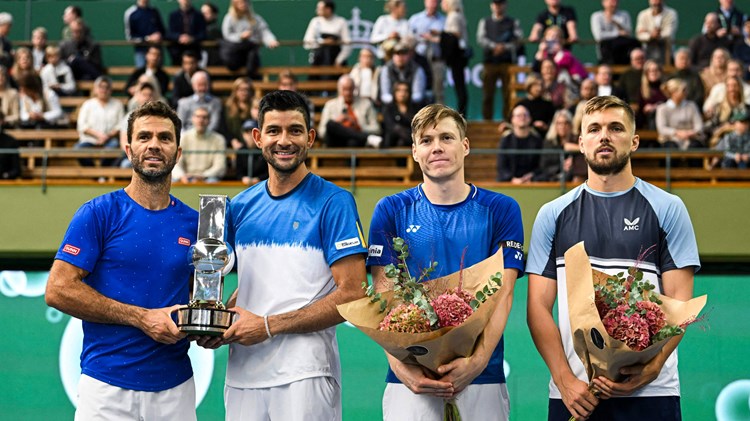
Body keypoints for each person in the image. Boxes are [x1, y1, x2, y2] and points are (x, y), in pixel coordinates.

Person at [196, 89, 368, 421]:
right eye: (274, 130)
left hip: (306, 373)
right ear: (258, 138)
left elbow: (354, 293)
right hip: (243, 373)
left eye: (295, 130)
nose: (284, 140)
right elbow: (256, 285)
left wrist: (267, 325)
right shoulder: (239, 206)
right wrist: (217, 322)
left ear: (311, 138)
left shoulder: (335, 202)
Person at [526, 95, 700, 421]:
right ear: (580, 143)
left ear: (634, 141)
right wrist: (564, 380)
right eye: (594, 129)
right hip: (575, 394)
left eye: (615, 128)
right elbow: (537, 307)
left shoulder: (668, 208)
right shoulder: (552, 214)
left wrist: (654, 366)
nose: (604, 136)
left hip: (652, 390)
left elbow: (679, 301)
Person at [367, 103, 524, 420]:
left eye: (446, 137)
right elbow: (383, 299)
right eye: (426, 140)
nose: (436, 147)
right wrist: (402, 369)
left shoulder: (502, 209)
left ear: (465, 146)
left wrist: (477, 362)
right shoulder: (390, 210)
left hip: (483, 375)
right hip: (411, 378)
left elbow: (503, 294)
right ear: (414, 151)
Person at [45, 100, 198, 421]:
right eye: (144, 137)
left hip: (176, 388)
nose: (154, 145)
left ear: (178, 152)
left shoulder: (196, 224)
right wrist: (141, 318)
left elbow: (198, 298)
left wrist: (207, 329)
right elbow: (58, 289)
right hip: (105, 389)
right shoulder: (98, 213)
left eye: (164, 138)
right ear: (128, 149)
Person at [477, 0, 523, 121]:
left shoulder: (513, 22)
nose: (498, 6)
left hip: (507, 63)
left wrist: (504, 47)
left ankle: (508, 120)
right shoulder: (485, 22)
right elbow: (481, 39)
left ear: (505, 5)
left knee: (508, 94)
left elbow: (518, 40)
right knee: (487, 94)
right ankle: (487, 121)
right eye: (495, 4)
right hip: (490, 62)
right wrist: (494, 46)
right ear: (491, 6)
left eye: (500, 3)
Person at [220, 0, 280, 79]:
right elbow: (227, 35)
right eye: (240, 3)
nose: (243, 4)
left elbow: (264, 31)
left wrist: (271, 41)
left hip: (251, 54)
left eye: (245, 2)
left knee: (253, 69)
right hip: (236, 54)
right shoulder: (229, 18)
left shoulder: (255, 18)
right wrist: (240, 36)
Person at [319, 75, 382, 148]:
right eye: (344, 89)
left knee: (353, 142)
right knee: (330, 124)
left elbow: (377, 129)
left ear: (354, 89)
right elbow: (322, 132)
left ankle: (360, 137)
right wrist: (337, 123)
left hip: (355, 141)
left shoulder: (366, 104)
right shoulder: (330, 105)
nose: (347, 93)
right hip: (335, 141)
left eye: (350, 89)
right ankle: (366, 138)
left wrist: (359, 126)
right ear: (339, 89)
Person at [75, 76, 125, 166]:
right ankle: (94, 175)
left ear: (110, 90)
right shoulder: (87, 104)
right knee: (77, 150)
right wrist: (99, 136)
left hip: (110, 140)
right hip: (89, 139)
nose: (103, 90)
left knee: (113, 149)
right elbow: (82, 125)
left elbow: (120, 125)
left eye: (106, 87)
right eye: (100, 87)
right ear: (95, 89)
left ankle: (103, 174)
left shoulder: (118, 104)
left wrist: (107, 136)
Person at [173, 106, 226, 183]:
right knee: (173, 181)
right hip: (186, 176)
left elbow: (220, 167)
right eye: (198, 117)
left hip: (207, 178)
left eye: (204, 117)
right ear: (192, 119)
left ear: (209, 120)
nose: (201, 120)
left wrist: (202, 176)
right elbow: (176, 163)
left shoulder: (218, 139)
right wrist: (182, 176)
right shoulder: (184, 137)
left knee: (212, 181)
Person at [408, 0, 446, 104]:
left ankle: (439, 118)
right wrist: (421, 38)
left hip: (436, 59)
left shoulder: (443, 20)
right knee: (417, 89)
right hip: (418, 59)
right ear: (425, 2)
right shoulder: (415, 19)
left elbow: (448, 40)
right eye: (430, 1)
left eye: (435, 2)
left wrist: (434, 37)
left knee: (437, 91)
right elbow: (409, 39)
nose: (432, 4)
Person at [497, 104, 544, 183]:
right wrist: (512, 179)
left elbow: (541, 165)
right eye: (519, 115)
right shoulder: (506, 140)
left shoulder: (537, 140)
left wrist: (532, 176)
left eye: (525, 115)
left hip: (532, 183)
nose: (522, 118)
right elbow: (502, 166)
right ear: (512, 119)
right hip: (509, 183)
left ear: (530, 119)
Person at [655, 78, 704, 150]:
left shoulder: (692, 106)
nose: (686, 92)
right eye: (683, 90)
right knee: (670, 147)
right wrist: (677, 133)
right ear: (673, 92)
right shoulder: (662, 108)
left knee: (695, 146)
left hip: (691, 139)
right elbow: (662, 128)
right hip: (670, 140)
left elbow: (699, 126)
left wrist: (689, 133)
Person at [440, 0, 469, 116]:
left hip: (456, 57)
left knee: (459, 86)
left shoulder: (453, 17)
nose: (441, 4)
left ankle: (462, 113)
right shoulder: (456, 16)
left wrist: (441, 37)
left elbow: (455, 35)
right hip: (458, 56)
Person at [303, 1, 352, 68]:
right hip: (318, 60)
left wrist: (339, 60)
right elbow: (306, 42)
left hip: (336, 60)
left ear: (328, 9)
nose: (317, 11)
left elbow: (347, 44)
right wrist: (323, 42)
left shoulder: (341, 22)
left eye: (320, 9)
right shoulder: (315, 21)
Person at [379, 40, 427, 107]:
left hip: (412, 105)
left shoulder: (417, 69)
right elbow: (385, 95)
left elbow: (418, 95)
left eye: (403, 53)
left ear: (409, 55)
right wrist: (398, 99)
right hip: (392, 106)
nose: (400, 57)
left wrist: (404, 99)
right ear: (393, 56)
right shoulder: (386, 68)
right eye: (397, 53)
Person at [590, 0, 639, 65]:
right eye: (611, 1)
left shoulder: (624, 15)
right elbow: (599, 36)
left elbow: (628, 33)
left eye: (616, 1)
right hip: (607, 54)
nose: (614, 4)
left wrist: (615, 22)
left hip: (624, 54)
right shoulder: (596, 16)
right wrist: (618, 33)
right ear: (604, 3)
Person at [124, 0, 166, 68]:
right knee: (141, 74)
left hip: (156, 51)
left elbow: (162, 31)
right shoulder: (130, 13)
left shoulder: (154, 11)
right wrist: (147, 38)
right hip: (141, 51)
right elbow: (130, 37)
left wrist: (159, 36)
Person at [635, 0, 678, 65]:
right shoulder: (643, 14)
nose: (656, 3)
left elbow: (668, 33)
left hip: (666, 53)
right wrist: (651, 35)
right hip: (647, 53)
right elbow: (639, 35)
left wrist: (648, 32)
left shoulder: (671, 14)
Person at [166, 0, 206, 66]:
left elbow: (203, 34)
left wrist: (192, 38)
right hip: (177, 52)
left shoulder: (198, 15)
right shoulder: (173, 15)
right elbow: (169, 33)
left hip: (194, 51)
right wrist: (179, 37)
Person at [233, 114, 268, 184]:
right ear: (243, 134)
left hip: (263, 183)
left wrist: (259, 179)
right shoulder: (241, 151)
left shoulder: (264, 149)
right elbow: (238, 172)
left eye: (251, 131)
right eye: (246, 132)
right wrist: (243, 178)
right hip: (244, 184)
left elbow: (268, 172)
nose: (249, 135)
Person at [382, 81, 418, 148]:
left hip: (409, 143)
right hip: (392, 142)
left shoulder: (415, 109)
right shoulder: (388, 108)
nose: (403, 93)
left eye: (405, 90)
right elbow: (390, 126)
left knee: (402, 141)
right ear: (394, 93)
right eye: (399, 90)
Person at [200, 2, 222, 66]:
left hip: (213, 63)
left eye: (207, 13)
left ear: (214, 15)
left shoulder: (215, 30)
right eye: (202, 13)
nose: (203, 15)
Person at [0, 111, 20, 179]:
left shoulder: (11, 141)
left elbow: (16, 170)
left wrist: (5, 175)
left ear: (2, 122)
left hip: (5, 180)